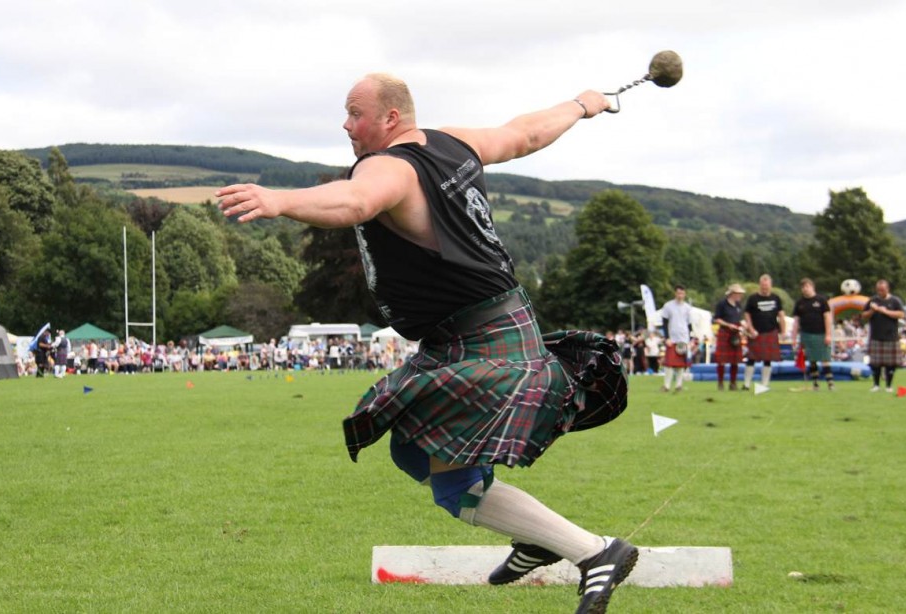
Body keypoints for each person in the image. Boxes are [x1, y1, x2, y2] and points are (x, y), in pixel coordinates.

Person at [216, 73, 635, 611]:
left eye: (355, 113)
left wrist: (279, 200)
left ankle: (595, 552)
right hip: (475, 329)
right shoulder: (452, 142)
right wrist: (582, 104)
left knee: (451, 482)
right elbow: (524, 133)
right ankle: (537, 538)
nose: (346, 125)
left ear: (391, 118)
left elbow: (354, 202)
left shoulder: (387, 167)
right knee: (414, 448)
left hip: (480, 335)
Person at [743, 274, 786, 390]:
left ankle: (764, 384)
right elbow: (747, 314)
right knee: (751, 358)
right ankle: (746, 384)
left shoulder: (776, 298)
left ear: (771, 285)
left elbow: (781, 315)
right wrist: (751, 328)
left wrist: (783, 331)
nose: (765, 288)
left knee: (768, 360)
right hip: (756, 332)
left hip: (771, 331)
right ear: (760, 285)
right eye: (763, 286)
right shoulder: (753, 298)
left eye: (767, 286)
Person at [862, 279, 906, 392]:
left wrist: (884, 311)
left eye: (882, 290)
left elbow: (901, 314)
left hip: (891, 336)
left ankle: (889, 386)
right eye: (878, 290)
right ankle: (876, 385)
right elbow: (864, 315)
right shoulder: (872, 300)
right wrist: (872, 310)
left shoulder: (895, 300)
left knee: (891, 364)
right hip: (876, 336)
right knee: (875, 364)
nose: (880, 292)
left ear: (887, 289)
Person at [791, 278, 834, 391]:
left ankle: (830, 383)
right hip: (806, 334)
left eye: (807, 286)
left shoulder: (821, 300)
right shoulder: (799, 303)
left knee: (825, 359)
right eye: (803, 287)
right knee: (812, 360)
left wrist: (828, 334)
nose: (805, 289)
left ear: (812, 287)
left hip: (821, 333)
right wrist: (793, 337)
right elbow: (796, 321)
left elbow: (827, 317)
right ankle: (815, 384)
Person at [659, 285, 693, 393]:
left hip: (684, 339)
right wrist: (666, 338)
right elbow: (664, 323)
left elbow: (689, 325)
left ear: (685, 294)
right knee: (669, 364)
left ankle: (679, 385)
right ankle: (666, 386)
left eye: (682, 293)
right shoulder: (668, 306)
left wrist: (691, 339)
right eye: (678, 293)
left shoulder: (687, 308)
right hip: (672, 338)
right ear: (675, 293)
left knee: (681, 365)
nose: (680, 295)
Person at [713, 283, 746, 391]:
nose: (740, 295)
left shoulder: (738, 305)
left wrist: (743, 326)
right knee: (722, 360)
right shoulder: (722, 304)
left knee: (735, 360)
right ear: (732, 294)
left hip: (735, 334)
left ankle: (733, 383)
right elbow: (716, 319)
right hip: (725, 332)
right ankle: (721, 383)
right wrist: (728, 325)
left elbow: (739, 319)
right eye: (738, 293)